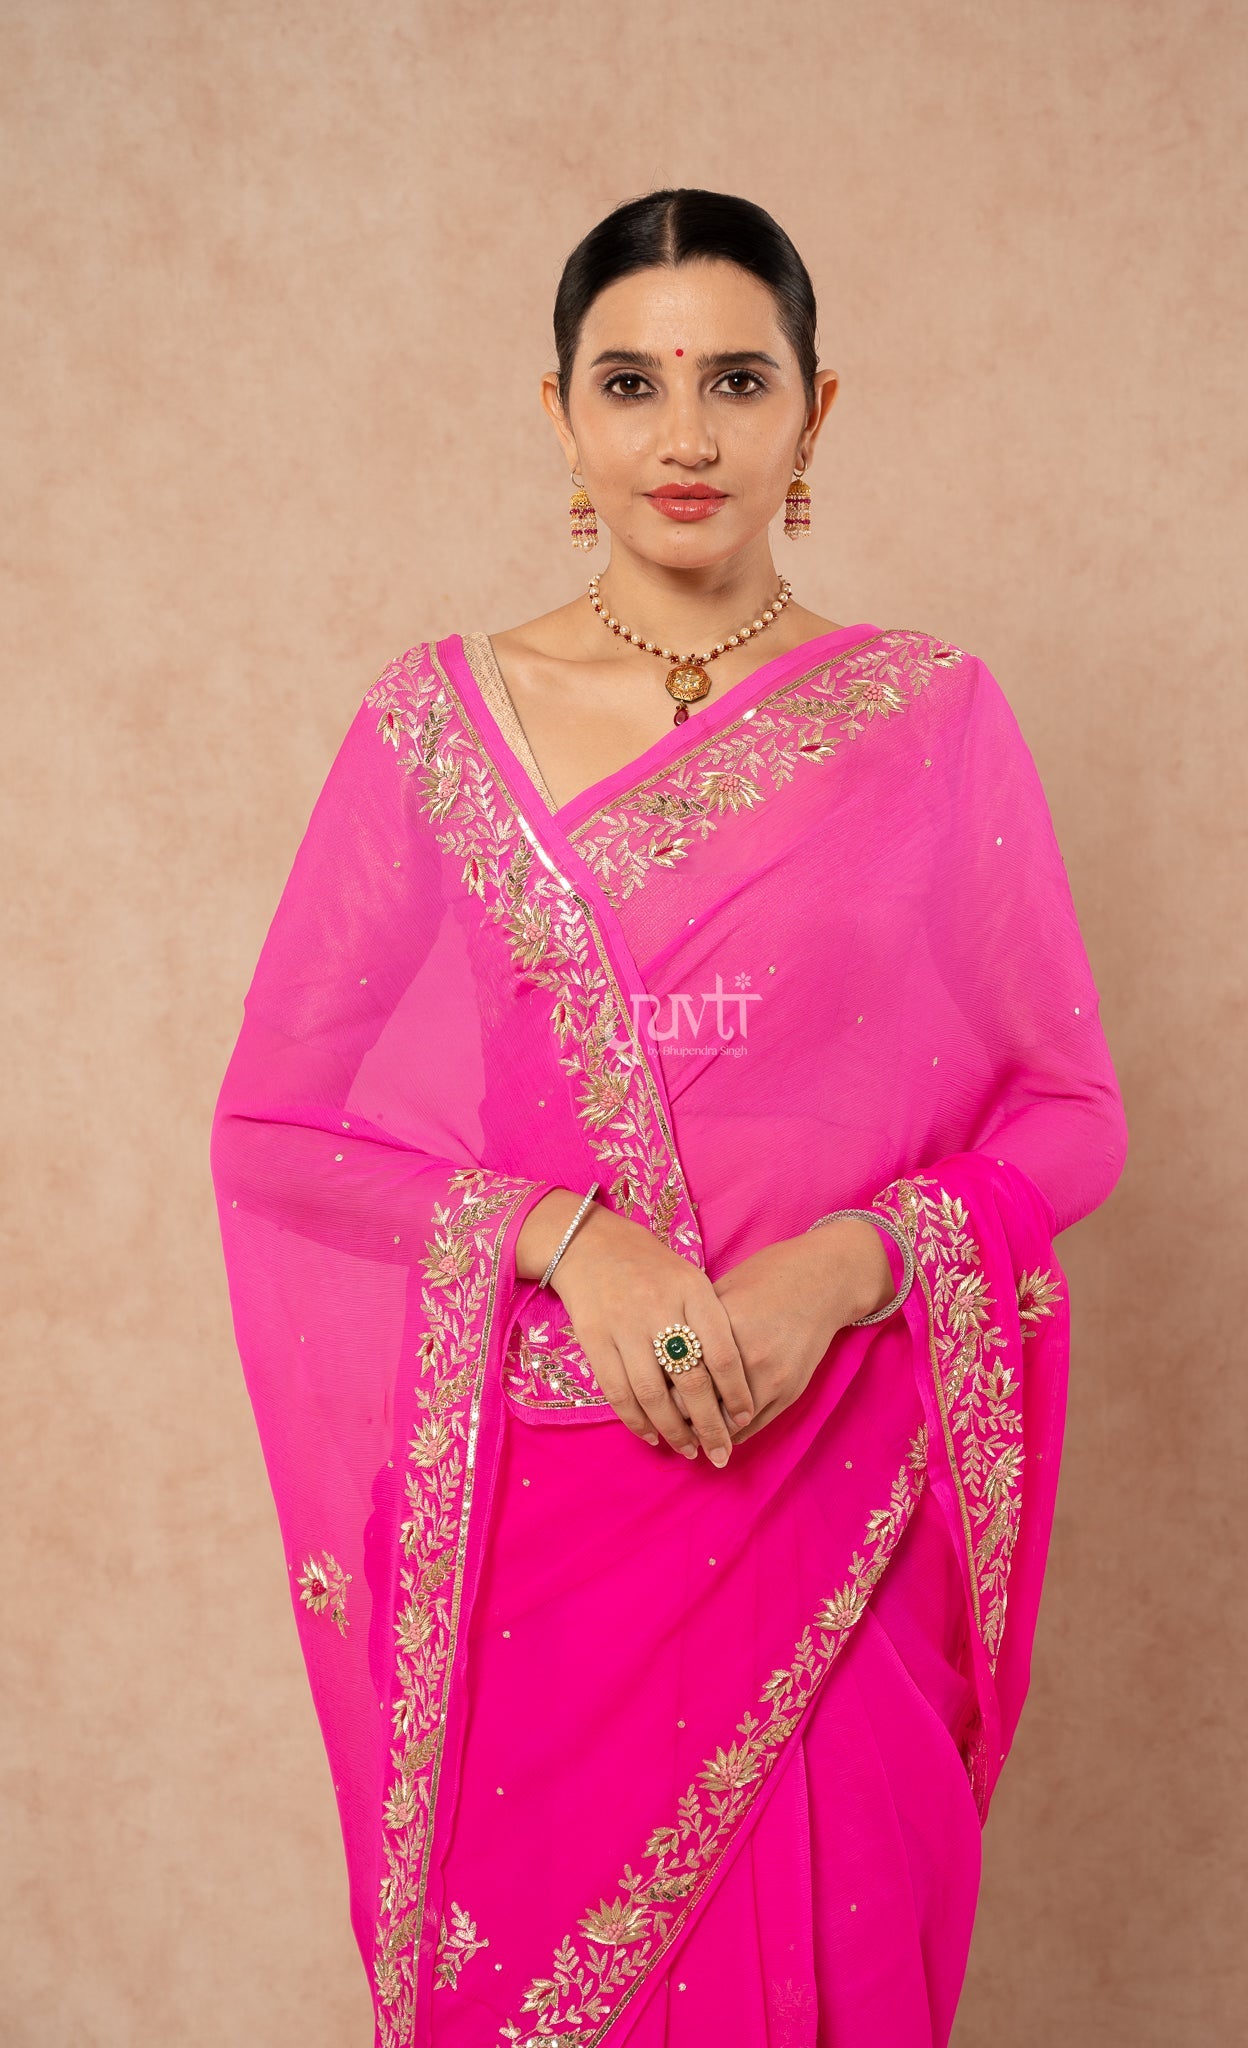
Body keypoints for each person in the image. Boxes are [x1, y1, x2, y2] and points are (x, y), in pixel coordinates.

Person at [210, 187, 1127, 2048]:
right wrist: (564, 1241)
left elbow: (1072, 1113)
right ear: (560, 413)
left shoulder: (929, 720)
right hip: (535, 1519)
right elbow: (276, 1132)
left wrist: (850, 1269)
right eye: (631, 382)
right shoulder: (439, 729)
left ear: (816, 409)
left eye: (738, 379)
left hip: (836, 1489)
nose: (685, 435)